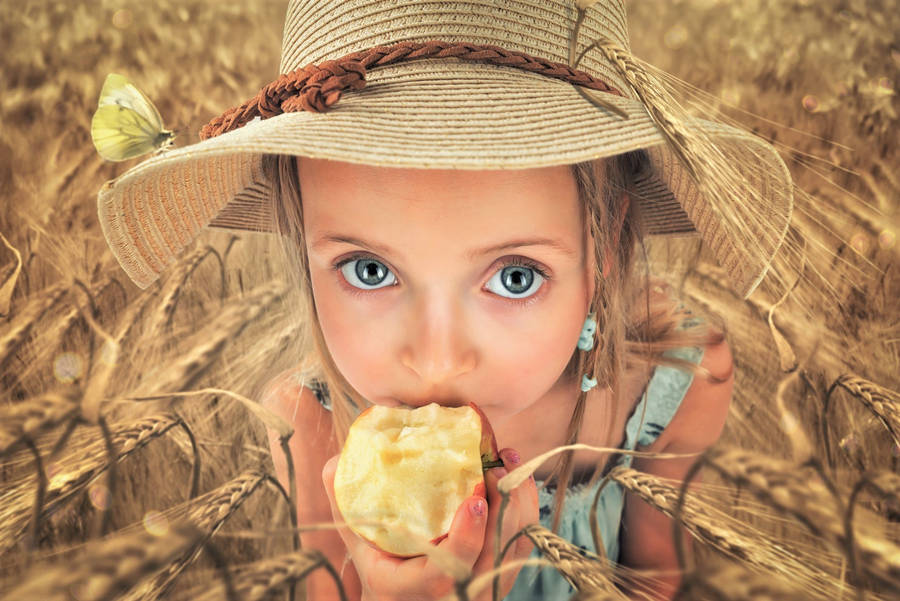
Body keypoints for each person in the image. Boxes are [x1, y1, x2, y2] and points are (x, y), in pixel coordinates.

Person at [95, 1, 793, 599]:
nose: (436, 358)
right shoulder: (310, 425)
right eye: (368, 269)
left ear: (604, 247)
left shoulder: (677, 380)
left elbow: (659, 580)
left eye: (515, 276)